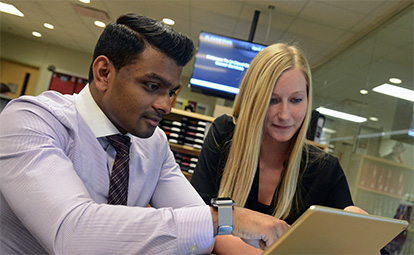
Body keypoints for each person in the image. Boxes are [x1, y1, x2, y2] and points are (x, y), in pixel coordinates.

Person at [0, 14, 288, 254]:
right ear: (103, 73)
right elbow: (72, 233)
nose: (166, 105)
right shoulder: (32, 121)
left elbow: (201, 224)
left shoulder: (154, 143)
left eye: (172, 92)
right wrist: (228, 217)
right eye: (152, 86)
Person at [191, 43, 367, 254]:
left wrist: (361, 234)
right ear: (253, 99)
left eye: (296, 100)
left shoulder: (324, 169)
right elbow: (198, 220)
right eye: (272, 100)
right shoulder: (224, 135)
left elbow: (350, 232)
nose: (284, 115)